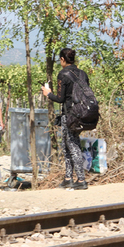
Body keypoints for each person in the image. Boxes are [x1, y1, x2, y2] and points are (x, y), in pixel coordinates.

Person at [41, 48, 90, 190]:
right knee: (67, 145)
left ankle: (81, 180)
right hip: (81, 114)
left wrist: (48, 94)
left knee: (72, 145)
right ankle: (68, 178)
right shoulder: (83, 74)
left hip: (69, 115)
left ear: (63, 59)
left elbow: (61, 98)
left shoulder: (63, 74)